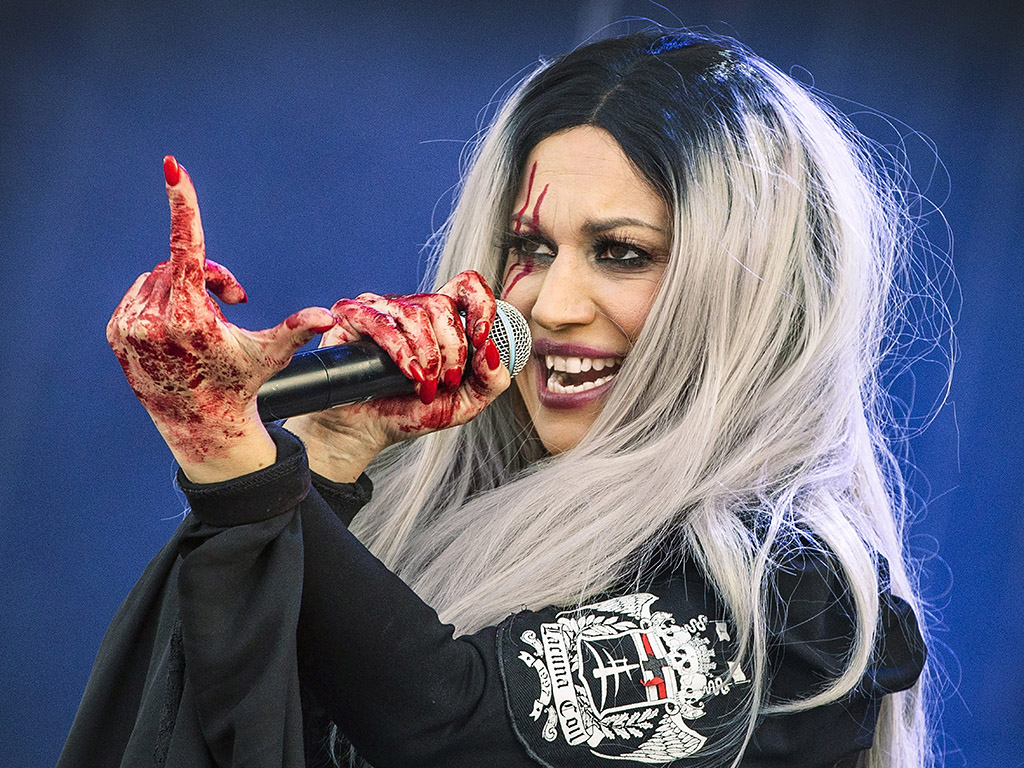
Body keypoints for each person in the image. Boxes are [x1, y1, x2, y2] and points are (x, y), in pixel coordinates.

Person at [59, 30, 931, 768]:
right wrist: (326, 459)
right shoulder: (421, 519)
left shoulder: (791, 593)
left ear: (754, 291)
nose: (550, 306)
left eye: (622, 253)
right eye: (532, 248)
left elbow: (451, 726)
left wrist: (244, 467)